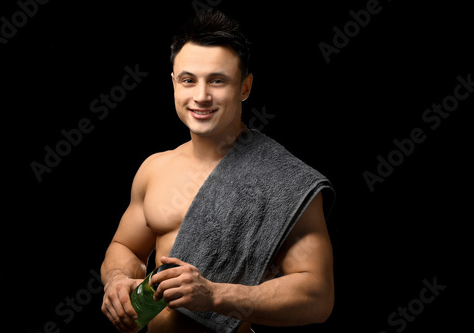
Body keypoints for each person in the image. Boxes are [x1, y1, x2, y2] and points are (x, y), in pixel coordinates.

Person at [100, 10, 334, 333]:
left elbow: (317, 297)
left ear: (245, 87)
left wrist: (214, 295)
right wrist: (117, 280)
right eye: (188, 80)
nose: (201, 96)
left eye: (217, 80)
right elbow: (125, 247)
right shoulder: (155, 169)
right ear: (173, 84)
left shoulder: (285, 181)